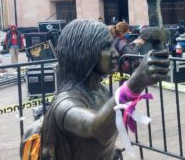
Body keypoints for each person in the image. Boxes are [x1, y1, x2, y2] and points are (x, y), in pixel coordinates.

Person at [25, 19, 169, 159]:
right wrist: (136, 82)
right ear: (84, 52)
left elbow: (101, 135)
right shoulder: (65, 104)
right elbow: (97, 129)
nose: (116, 54)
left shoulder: (99, 91)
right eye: (106, 47)